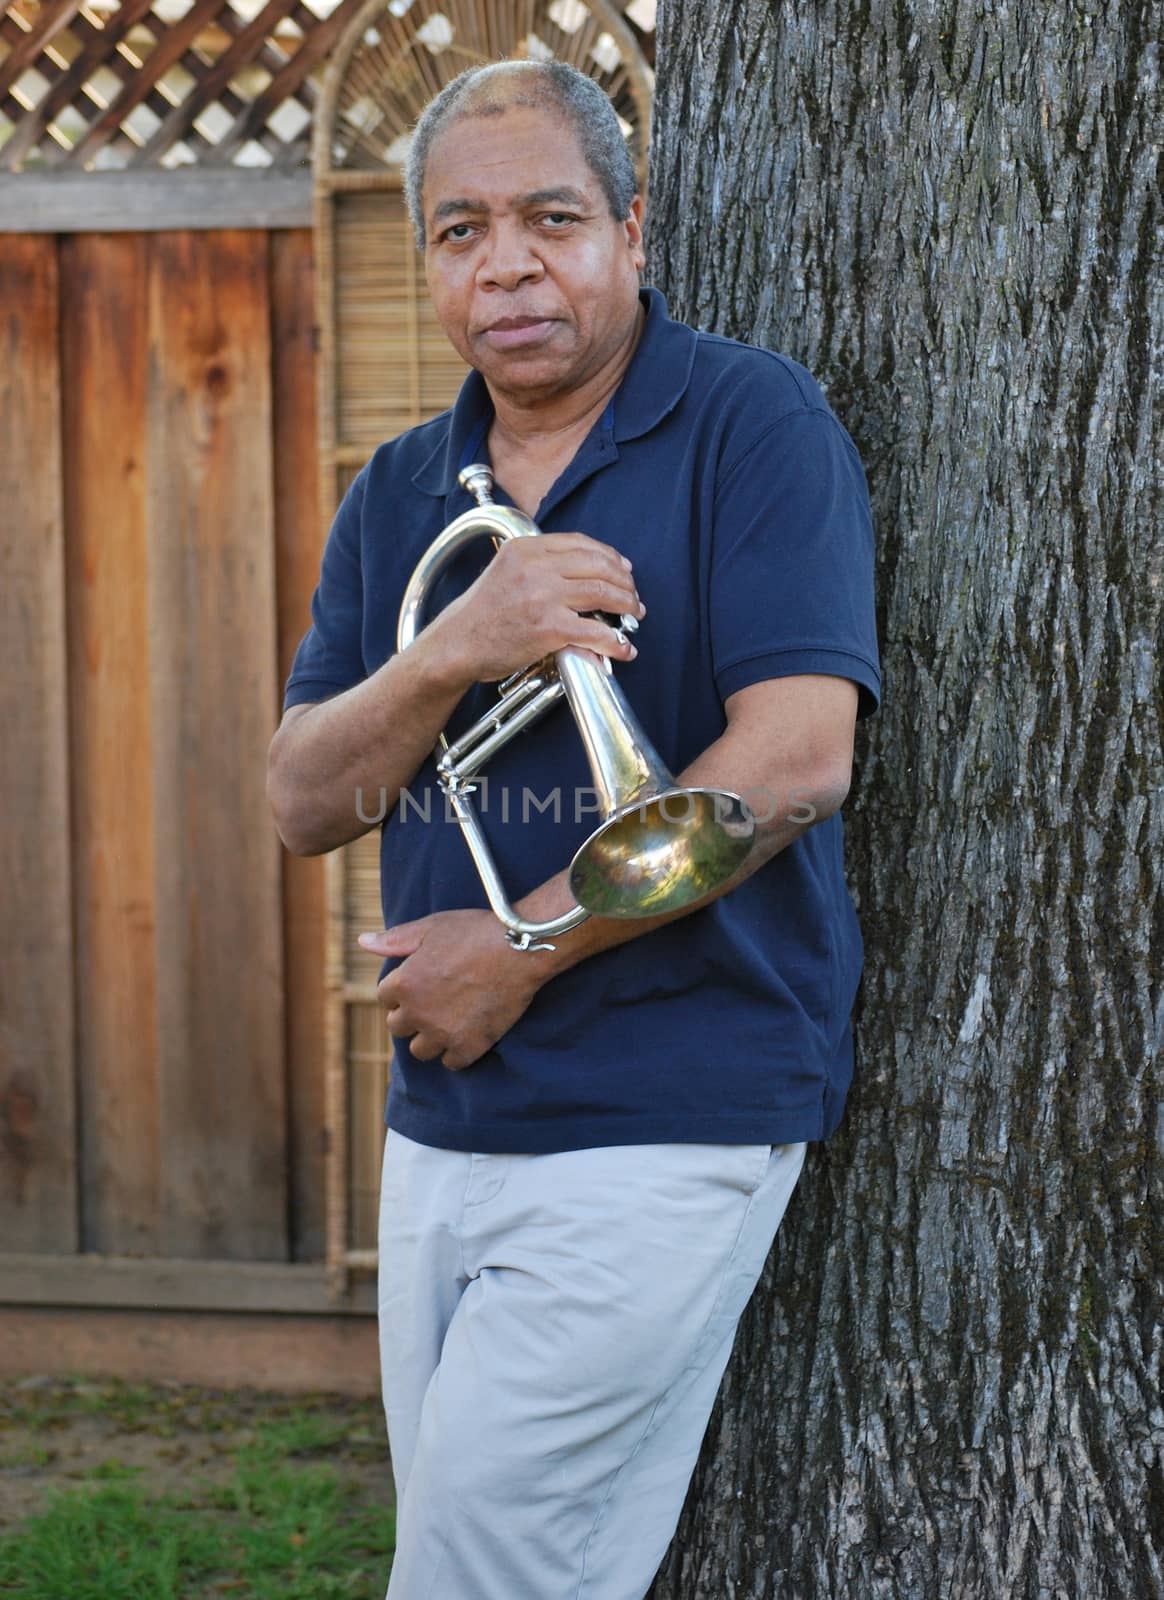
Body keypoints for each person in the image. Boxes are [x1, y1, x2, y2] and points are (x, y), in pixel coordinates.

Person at [267, 58, 880, 1600]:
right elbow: (302, 801)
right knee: (479, 1555)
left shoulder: (752, 419)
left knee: (483, 1574)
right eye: (463, 231)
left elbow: (797, 762)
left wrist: (523, 949)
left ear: (632, 229)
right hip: (448, 1111)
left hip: (669, 1103)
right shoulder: (401, 492)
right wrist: (460, 646)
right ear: (430, 264)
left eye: (551, 217)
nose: (509, 264)